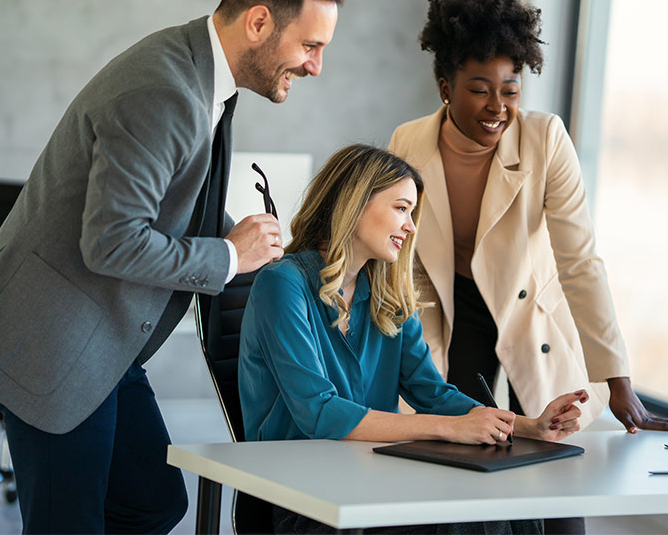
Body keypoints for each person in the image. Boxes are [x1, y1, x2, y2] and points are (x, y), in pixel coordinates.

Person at [0, 0, 343, 534]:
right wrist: (232, 255)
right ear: (259, 22)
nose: (315, 66)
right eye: (310, 46)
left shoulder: (202, 73)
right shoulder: (165, 91)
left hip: (105, 338)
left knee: (152, 501)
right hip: (53, 341)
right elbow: (110, 242)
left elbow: (171, 204)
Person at [388, 0, 668, 534]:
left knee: (559, 481)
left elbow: (580, 261)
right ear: (444, 86)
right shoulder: (408, 142)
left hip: (531, 311)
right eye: (479, 89)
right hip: (451, 308)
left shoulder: (546, 139)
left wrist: (617, 377)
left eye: (510, 88)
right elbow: (395, 255)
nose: (497, 106)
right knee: (457, 461)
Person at [239, 144, 589, 535]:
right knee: (469, 523)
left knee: (516, 509)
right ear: (354, 202)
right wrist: (445, 428)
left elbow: (434, 394)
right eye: (401, 208)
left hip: (374, 479)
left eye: (412, 213)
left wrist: (530, 427)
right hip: (306, 498)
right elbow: (318, 411)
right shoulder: (282, 284)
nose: (411, 226)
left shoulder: (386, 296)